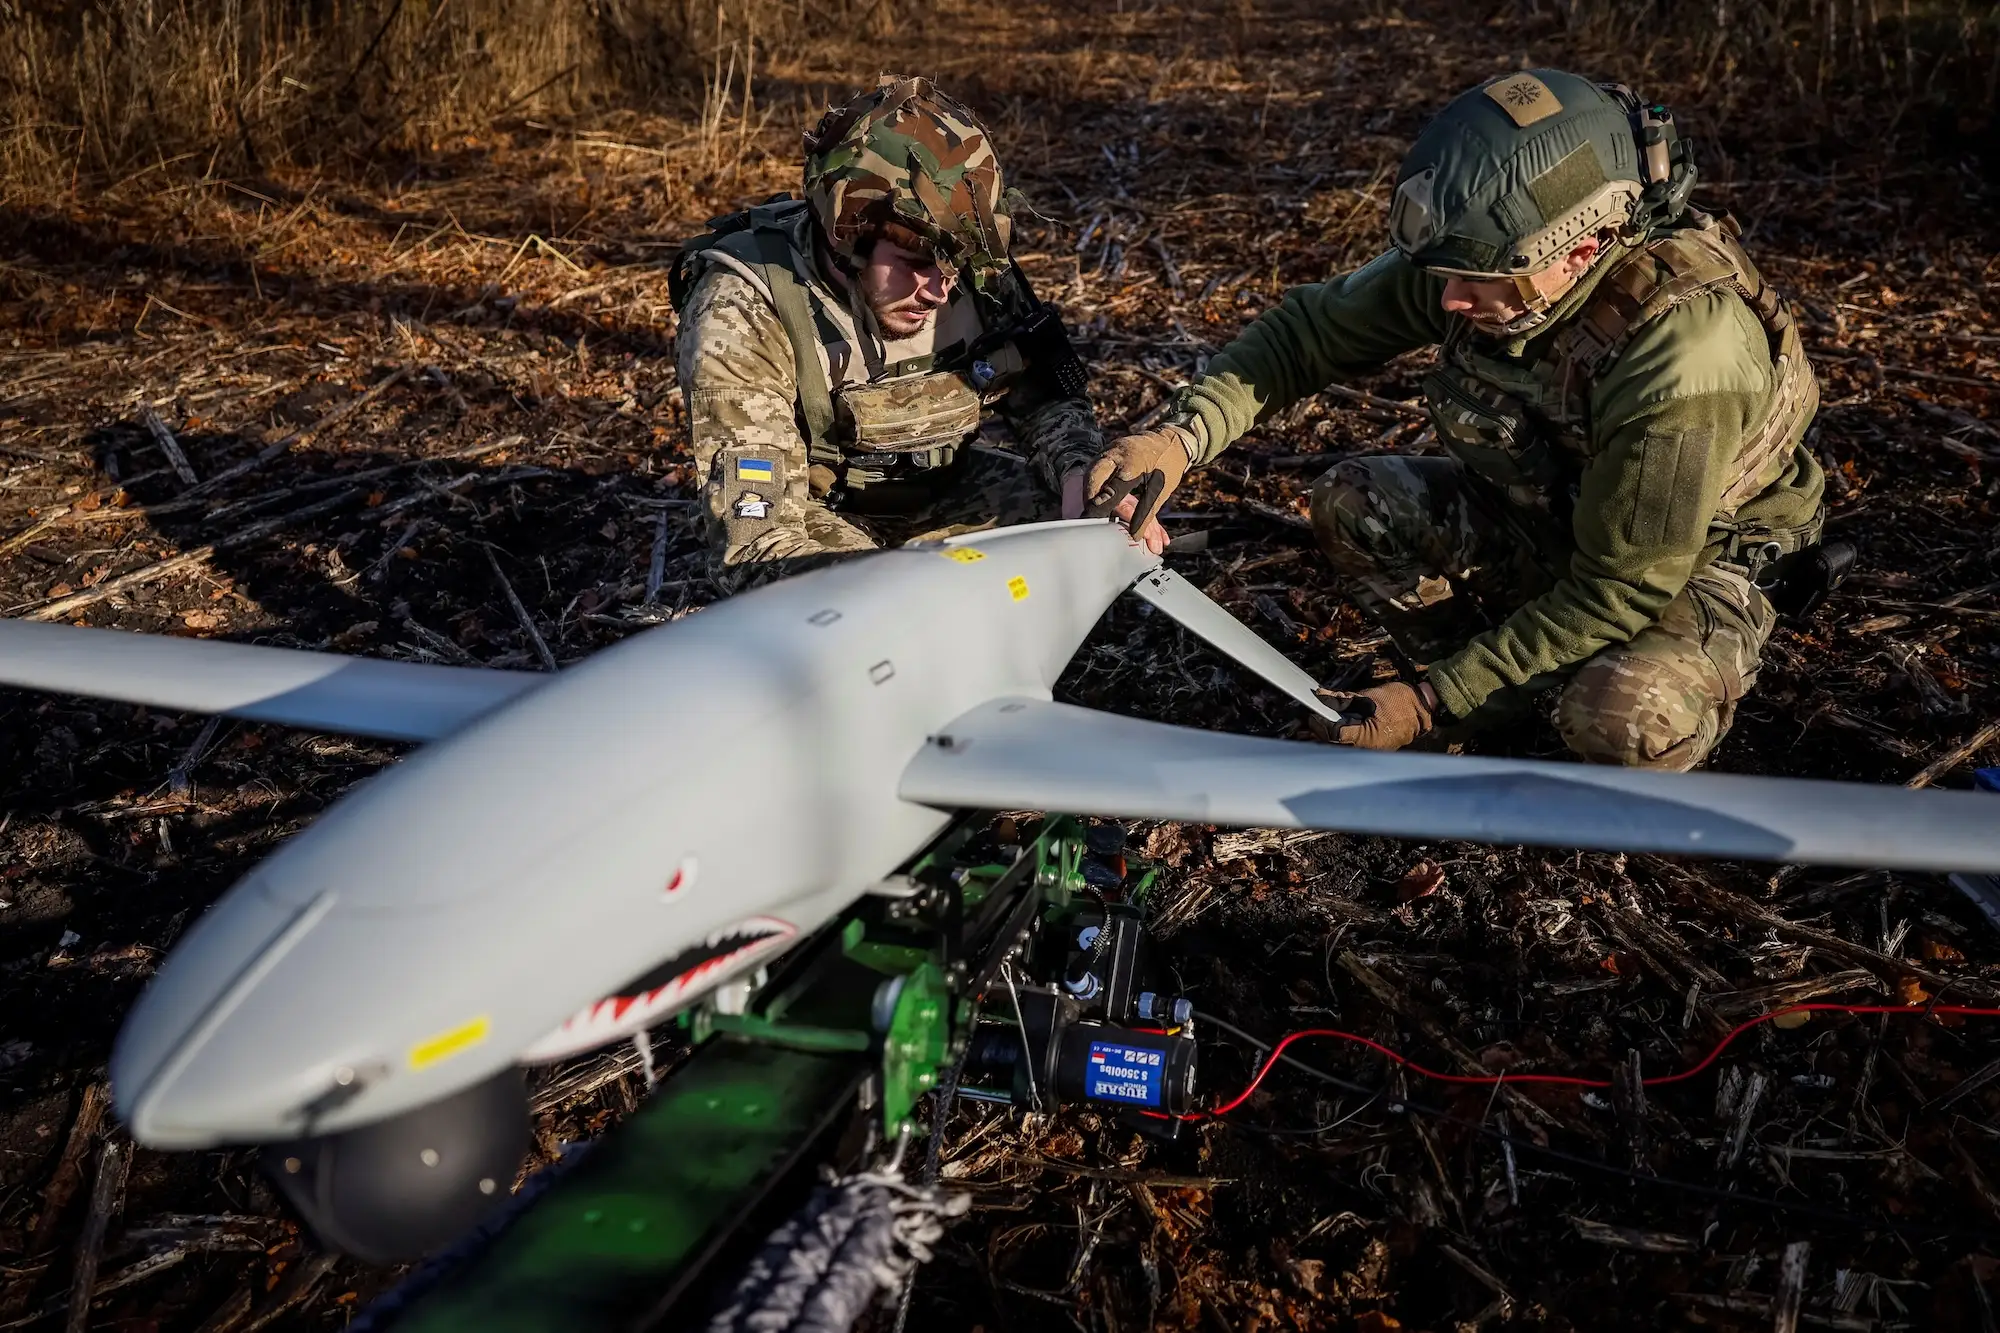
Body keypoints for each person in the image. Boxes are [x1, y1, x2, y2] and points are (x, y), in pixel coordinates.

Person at [1079, 69, 1829, 772]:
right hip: (1560, 518)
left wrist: (1433, 704)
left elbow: (1622, 588)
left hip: (1688, 564)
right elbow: (1307, 335)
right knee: (1358, 503)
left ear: (1583, 248)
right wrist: (1178, 439)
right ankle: (1495, 693)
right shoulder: (1489, 256)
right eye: (1447, 275)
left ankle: (1487, 692)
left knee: (1622, 718)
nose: (1450, 303)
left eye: (1478, 282)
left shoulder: (1683, 353)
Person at [673, 76, 1102, 584]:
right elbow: (759, 544)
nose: (940, 291)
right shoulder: (742, 307)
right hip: (812, 514)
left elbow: (1047, 400)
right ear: (848, 237)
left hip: (946, 489)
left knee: (1095, 536)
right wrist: (900, 589)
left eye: (953, 267)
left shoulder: (973, 267)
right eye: (913, 263)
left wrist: (1080, 472)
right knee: (866, 609)